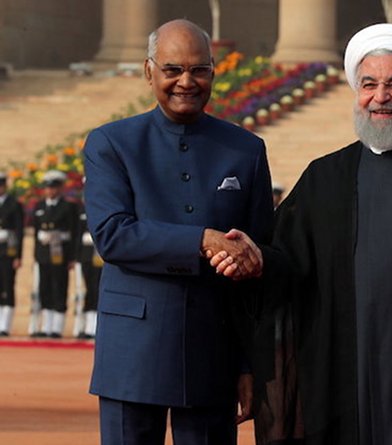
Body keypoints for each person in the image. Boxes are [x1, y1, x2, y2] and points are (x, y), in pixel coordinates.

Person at [213, 23, 392, 445]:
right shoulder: (326, 175)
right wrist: (254, 256)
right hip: (347, 361)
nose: (380, 97)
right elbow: (288, 265)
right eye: (368, 84)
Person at [83, 19, 276, 445]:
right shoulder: (111, 143)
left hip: (213, 352)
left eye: (198, 70)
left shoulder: (245, 149)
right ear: (149, 71)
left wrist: (248, 363)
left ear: (214, 71)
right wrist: (200, 241)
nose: (186, 82)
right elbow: (113, 234)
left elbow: (257, 261)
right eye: (172, 70)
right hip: (132, 353)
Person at [31, 169, 80, 338]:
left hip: (61, 252)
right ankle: (46, 325)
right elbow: (37, 231)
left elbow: (74, 232)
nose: (50, 191)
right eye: (48, 188)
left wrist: (73, 257)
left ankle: (57, 327)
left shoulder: (69, 206)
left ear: (60, 188)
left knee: (59, 286)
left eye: (54, 187)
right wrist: (36, 254)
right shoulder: (40, 206)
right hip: (44, 253)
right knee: (44, 288)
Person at [0, 171, 24, 336]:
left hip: (8, 251)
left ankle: (5, 325)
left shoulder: (14, 204)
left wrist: (17, 255)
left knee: (7, 286)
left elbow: (19, 231)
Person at [75, 200, 102, 339]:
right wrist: (76, 257)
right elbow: (76, 234)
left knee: (98, 288)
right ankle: (86, 326)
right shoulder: (82, 208)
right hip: (85, 256)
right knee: (87, 290)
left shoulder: (104, 205)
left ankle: (96, 327)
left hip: (101, 255)